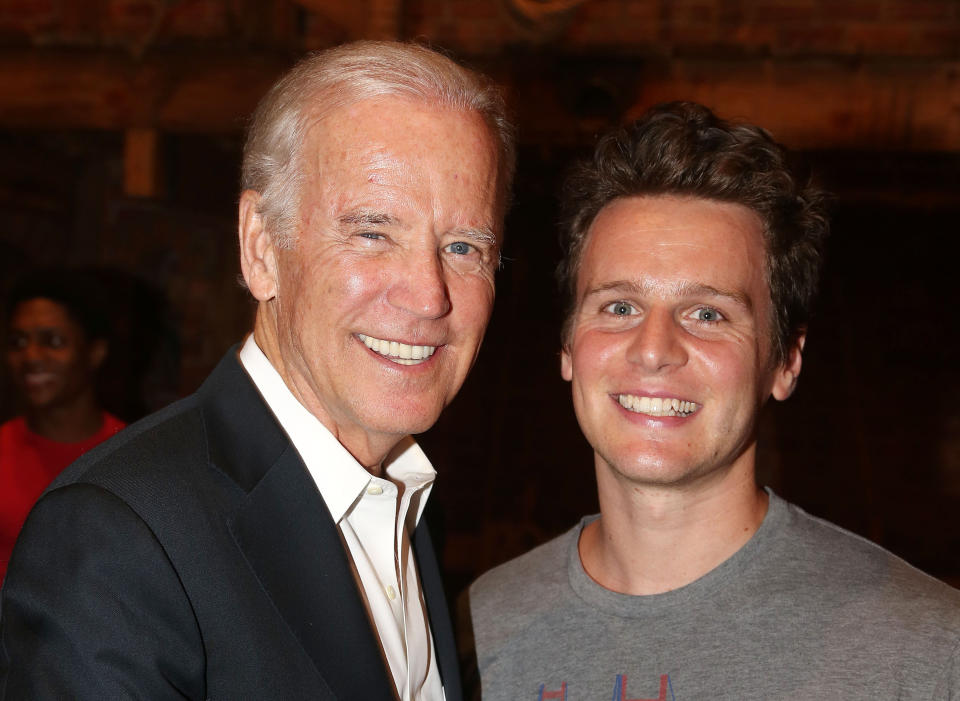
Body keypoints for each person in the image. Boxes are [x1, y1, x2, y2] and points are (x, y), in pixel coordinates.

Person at [1, 40, 514, 700]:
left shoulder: (405, 508)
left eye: (464, 245)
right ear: (260, 246)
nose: (429, 293)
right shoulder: (118, 535)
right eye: (372, 231)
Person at [468, 102, 960, 699]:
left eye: (707, 314)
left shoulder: (927, 651)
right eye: (619, 307)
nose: (653, 350)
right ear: (568, 346)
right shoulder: (473, 629)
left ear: (785, 362)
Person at [0, 271, 125, 584]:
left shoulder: (133, 455)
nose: (30, 357)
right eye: (18, 342)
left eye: (52, 342)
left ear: (94, 353)